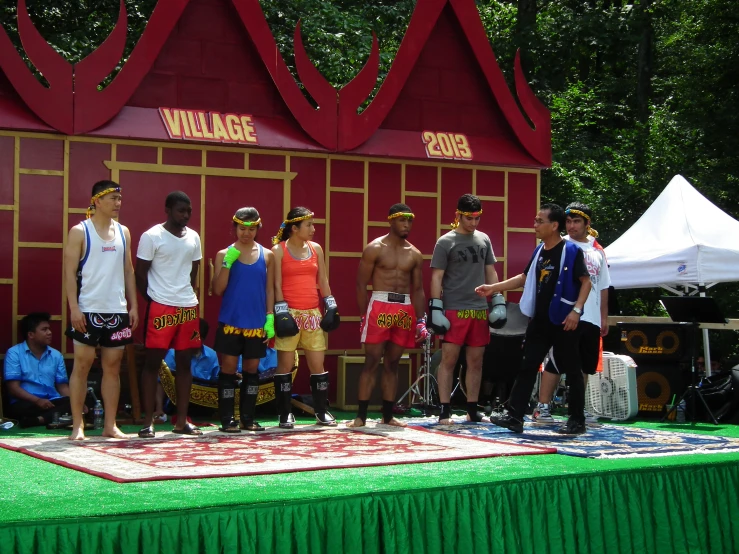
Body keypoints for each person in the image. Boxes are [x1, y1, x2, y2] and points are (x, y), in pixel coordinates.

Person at [476, 203, 591, 434]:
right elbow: (524, 277)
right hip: (540, 320)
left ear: (554, 225)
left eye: (540, 221)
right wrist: (494, 288)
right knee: (527, 365)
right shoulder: (539, 251)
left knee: (571, 368)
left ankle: (576, 420)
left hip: (564, 319)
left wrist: (576, 311)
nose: (535, 225)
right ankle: (515, 417)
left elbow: (586, 282)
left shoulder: (571, 251)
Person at [63, 180, 137, 440]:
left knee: (113, 367)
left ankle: (110, 424)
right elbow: (69, 274)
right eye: (113, 198)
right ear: (97, 200)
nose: (118, 203)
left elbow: (128, 270)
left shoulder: (124, 232)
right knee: (82, 366)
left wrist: (133, 305)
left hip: (116, 310)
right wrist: (74, 308)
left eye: (120, 198)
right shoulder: (79, 231)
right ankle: (78, 425)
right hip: (87, 308)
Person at [427, 194, 504, 424]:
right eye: (469, 218)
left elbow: (490, 271)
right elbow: (436, 276)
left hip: (479, 308)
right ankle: (444, 409)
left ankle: (472, 408)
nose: (473, 223)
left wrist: (497, 298)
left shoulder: (484, 239)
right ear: (458, 215)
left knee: (476, 362)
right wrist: (435, 307)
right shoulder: (445, 242)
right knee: (448, 360)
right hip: (454, 308)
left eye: (477, 218)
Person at [348, 203, 427, 428]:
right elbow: (361, 284)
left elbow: (418, 289)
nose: (407, 225)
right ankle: (360, 417)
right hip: (380, 304)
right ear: (390, 220)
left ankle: (388, 415)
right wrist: (364, 315)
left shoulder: (415, 254)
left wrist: (421, 320)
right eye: (402, 220)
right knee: (372, 360)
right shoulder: (374, 248)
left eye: (410, 220)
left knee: (393, 362)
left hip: (404, 308)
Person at [533, 202, 610, 424]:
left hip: (592, 316)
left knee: (584, 365)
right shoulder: (560, 245)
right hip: (567, 313)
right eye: (568, 221)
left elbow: (603, 285)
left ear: (588, 223)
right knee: (556, 360)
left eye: (576, 221)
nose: (571, 226)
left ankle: (577, 407)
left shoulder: (597, 249)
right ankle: (543, 407)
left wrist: (604, 317)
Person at [135, 191, 203, 438]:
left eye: (189, 211)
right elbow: (140, 274)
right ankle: (147, 421)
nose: (185, 215)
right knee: (152, 363)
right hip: (161, 307)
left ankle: (181, 422)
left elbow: (193, 272)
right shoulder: (152, 236)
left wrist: (186, 296)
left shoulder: (194, 237)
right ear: (167, 209)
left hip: (187, 306)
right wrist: (154, 299)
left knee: (185, 363)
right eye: (180, 210)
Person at [271, 207, 340, 428]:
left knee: (317, 364)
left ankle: (321, 411)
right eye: (308, 225)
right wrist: (281, 312)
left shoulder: (316, 249)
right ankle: (284, 414)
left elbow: (323, 279)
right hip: (289, 312)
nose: (313, 229)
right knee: (285, 365)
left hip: (312, 314)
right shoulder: (278, 251)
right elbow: (275, 284)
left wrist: (331, 305)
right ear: (295, 228)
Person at [212, 207, 275, 432]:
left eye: (251, 229)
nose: (246, 233)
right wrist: (228, 263)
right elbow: (217, 289)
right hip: (231, 321)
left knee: (251, 370)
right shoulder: (224, 253)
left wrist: (270, 319)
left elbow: (270, 290)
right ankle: (227, 419)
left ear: (258, 228)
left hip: (256, 324)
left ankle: (248, 418)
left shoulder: (268, 255)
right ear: (235, 228)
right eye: (241, 228)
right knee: (228, 369)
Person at [4, 313, 72, 428]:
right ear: (31, 334)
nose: (49, 332)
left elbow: (63, 387)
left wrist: (77, 403)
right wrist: (37, 401)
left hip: (52, 402)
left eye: (49, 329)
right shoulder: (14, 353)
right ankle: (51, 418)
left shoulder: (56, 355)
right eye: (44, 329)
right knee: (18, 409)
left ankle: (39, 420)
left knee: (73, 403)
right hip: (27, 402)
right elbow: (13, 388)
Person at [155, 318, 221, 422]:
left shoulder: (212, 355)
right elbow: (161, 382)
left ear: (202, 339)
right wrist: (159, 409)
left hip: (205, 406)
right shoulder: (174, 354)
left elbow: (216, 382)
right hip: (176, 404)